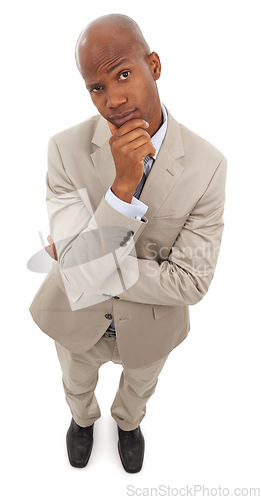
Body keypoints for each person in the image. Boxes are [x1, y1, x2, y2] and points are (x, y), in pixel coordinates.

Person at [29, 13, 227, 473]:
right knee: (76, 381)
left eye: (123, 73)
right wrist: (121, 188)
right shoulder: (64, 148)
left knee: (141, 387)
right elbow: (155, 275)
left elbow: (191, 283)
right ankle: (82, 421)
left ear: (153, 66)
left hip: (152, 325)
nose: (113, 98)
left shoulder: (209, 165)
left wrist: (85, 262)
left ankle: (127, 424)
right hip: (75, 317)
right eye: (97, 87)